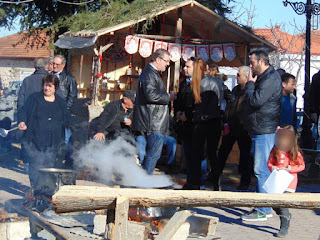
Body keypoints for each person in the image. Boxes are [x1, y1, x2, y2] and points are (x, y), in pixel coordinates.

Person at [241, 50, 282, 221]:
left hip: (264, 129)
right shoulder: (266, 77)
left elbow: (256, 100)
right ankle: (262, 206)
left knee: (261, 170)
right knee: (260, 169)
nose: (250, 66)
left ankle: (263, 209)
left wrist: (250, 84)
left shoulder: (270, 78)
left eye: (252, 62)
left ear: (261, 61)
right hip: (259, 128)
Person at [18, 74, 71, 196]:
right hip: (35, 140)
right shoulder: (34, 98)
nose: (47, 88)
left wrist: (72, 124)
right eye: (45, 85)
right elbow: (23, 111)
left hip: (54, 142)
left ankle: (47, 193)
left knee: (50, 167)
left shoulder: (60, 102)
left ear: (55, 88)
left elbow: (67, 117)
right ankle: (36, 191)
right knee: (35, 167)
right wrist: (22, 121)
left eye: (50, 86)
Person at [132, 48, 176, 175]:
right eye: (166, 61)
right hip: (153, 121)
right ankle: (145, 181)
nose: (168, 64)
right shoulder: (150, 74)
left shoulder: (150, 73)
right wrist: (169, 97)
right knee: (154, 154)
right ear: (158, 59)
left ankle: (144, 179)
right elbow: (151, 95)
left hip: (151, 119)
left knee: (152, 153)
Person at [186, 58, 222, 190]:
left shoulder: (205, 83)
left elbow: (208, 106)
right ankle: (211, 183)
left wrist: (196, 116)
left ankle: (203, 182)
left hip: (206, 122)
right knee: (208, 154)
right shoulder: (211, 82)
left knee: (204, 154)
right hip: (209, 122)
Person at [215, 66, 253, 190]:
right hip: (232, 126)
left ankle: (245, 181)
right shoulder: (236, 90)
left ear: (246, 77)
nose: (236, 77)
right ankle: (215, 176)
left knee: (245, 156)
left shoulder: (251, 91)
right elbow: (230, 107)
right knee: (222, 152)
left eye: (239, 75)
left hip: (244, 128)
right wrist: (226, 121)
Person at [267, 126, 305, 237]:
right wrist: (273, 167)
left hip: (289, 183)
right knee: (274, 204)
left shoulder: (295, 152)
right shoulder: (275, 151)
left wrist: (289, 168)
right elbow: (269, 163)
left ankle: (284, 227)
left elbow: (301, 166)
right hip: (277, 182)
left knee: (283, 205)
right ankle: (286, 216)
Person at [0, 87, 14, 152]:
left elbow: (10, 106)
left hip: (7, 118)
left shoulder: (9, 97)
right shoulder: (2, 97)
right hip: (2, 118)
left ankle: (8, 147)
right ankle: (4, 146)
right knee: (2, 132)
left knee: (7, 132)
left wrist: (1, 107)